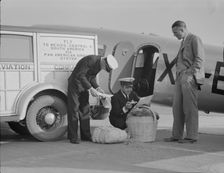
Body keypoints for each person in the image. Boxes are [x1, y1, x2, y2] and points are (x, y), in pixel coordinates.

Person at [164, 20, 205, 144]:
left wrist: (189, 73)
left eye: (176, 32)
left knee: (189, 107)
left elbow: (199, 59)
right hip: (180, 77)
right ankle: (176, 135)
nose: (174, 35)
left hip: (189, 77)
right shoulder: (183, 41)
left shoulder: (194, 39)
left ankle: (191, 136)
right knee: (177, 107)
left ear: (182, 30)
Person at [67, 54, 118, 144]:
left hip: (84, 86)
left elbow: (91, 77)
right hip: (75, 85)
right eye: (106, 68)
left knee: (85, 110)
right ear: (104, 62)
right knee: (74, 110)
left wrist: (97, 87)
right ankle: (73, 137)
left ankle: (86, 136)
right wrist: (91, 88)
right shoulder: (91, 60)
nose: (104, 70)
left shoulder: (99, 64)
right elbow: (80, 75)